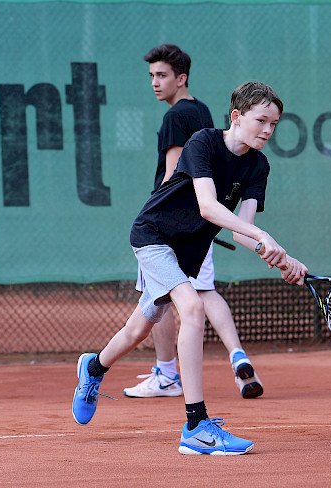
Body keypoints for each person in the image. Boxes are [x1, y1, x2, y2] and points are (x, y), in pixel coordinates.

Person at [72, 82, 307, 455]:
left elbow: (243, 231)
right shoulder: (203, 142)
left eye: (274, 124)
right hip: (153, 236)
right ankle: (196, 425)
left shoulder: (258, 165)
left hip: (186, 253)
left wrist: (281, 256)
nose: (267, 129)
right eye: (261, 119)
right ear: (237, 116)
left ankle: (94, 367)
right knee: (193, 307)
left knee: (137, 328)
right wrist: (263, 235)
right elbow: (210, 209)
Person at [123, 43, 263, 400]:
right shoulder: (202, 112)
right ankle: (236, 354)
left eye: (162, 75)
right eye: (152, 75)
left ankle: (167, 372)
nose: (155, 82)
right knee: (203, 291)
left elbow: (173, 174)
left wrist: (175, 215)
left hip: (175, 224)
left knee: (159, 300)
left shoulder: (174, 117)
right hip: (205, 219)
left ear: (180, 78)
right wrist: (208, 214)